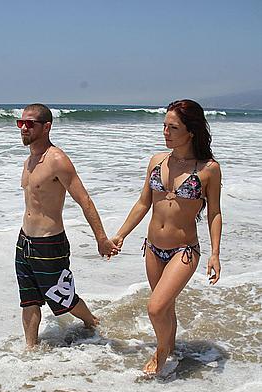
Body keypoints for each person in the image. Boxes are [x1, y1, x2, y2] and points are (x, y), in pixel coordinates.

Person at [112, 99, 222, 376]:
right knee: (165, 306)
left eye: (173, 127)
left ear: (191, 131)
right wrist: (121, 234)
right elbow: (142, 203)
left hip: (182, 251)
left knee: (155, 307)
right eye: (164, 126)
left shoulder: (208, 168)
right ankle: (170, 346)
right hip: (152, 248)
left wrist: (215, 254)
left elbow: (214, 214)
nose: (165, 132)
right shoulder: (157, 161)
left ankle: (161, 353)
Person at [15, 103, 119, 349]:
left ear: (46, 127)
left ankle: (93, 322)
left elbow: (85, 201)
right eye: (21, 123)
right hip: (25, 242)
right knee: (28, 300)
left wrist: (102, 239)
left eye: (29, 124)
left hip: (49, 244)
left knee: (63, 299)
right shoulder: (29, 161)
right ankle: (30, 350)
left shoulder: (58, 160)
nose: (23, 129)